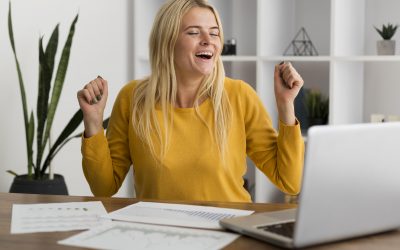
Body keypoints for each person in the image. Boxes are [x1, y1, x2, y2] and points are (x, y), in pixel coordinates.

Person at [77, 0, 304, 202]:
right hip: (158, 233)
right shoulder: (133, 98)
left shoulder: (240, 96)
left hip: (227, 231)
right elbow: (103, 188)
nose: (208, 41)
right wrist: (93, 121)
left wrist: (286, 105)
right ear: (167, 41)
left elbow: (289, 181)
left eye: (214, 33)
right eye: (194, 32)